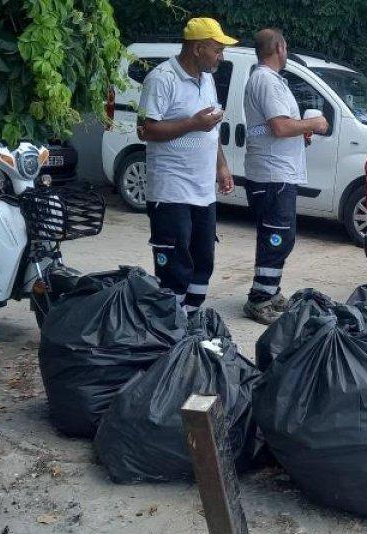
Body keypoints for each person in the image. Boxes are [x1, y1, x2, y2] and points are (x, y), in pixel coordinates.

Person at [136, 18, 237, 313]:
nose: (221, 57)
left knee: (203, 259)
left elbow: (211, 130)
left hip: (203, 190)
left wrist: (222, 166)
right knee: (175, 263)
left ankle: (192, 318)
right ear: (197, 48)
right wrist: (193, 123)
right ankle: (171, 323)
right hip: (171, 190)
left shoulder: (207, 80)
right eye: (217, 50)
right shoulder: (161, 78)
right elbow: (145, 130)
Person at [239, 28, 329, 324]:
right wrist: (313, 123)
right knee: (278, 236)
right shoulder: (266, 80)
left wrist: (300, 131)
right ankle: (259, 299)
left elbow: (276, 127)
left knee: (277, 234)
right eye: (286, 48)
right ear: (278, 48)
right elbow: (279, 127)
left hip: (277, 172)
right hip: (271, 174)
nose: (287, 53)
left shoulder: (271, 80)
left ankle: (269, 290)